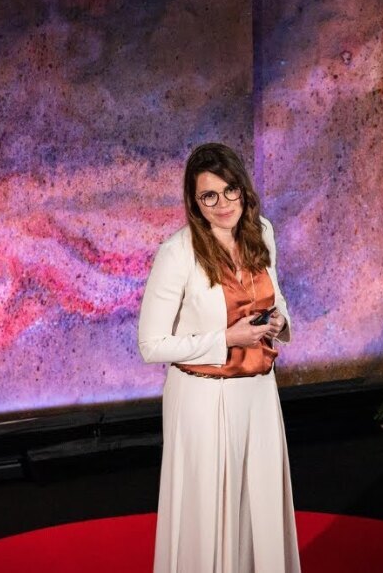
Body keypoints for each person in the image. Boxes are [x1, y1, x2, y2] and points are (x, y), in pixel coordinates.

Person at [138, 143, 300, 572]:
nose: (223, 204)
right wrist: (226, 338)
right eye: (209, 196)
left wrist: (278, 320)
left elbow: (276, 295)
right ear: (194, 202)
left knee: (260, 508)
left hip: (259, 393)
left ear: (243, 190)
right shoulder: (177, 252)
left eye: (230, 191)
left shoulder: (262, 231)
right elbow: (151, 344)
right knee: (207, 514)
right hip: (202, 398)